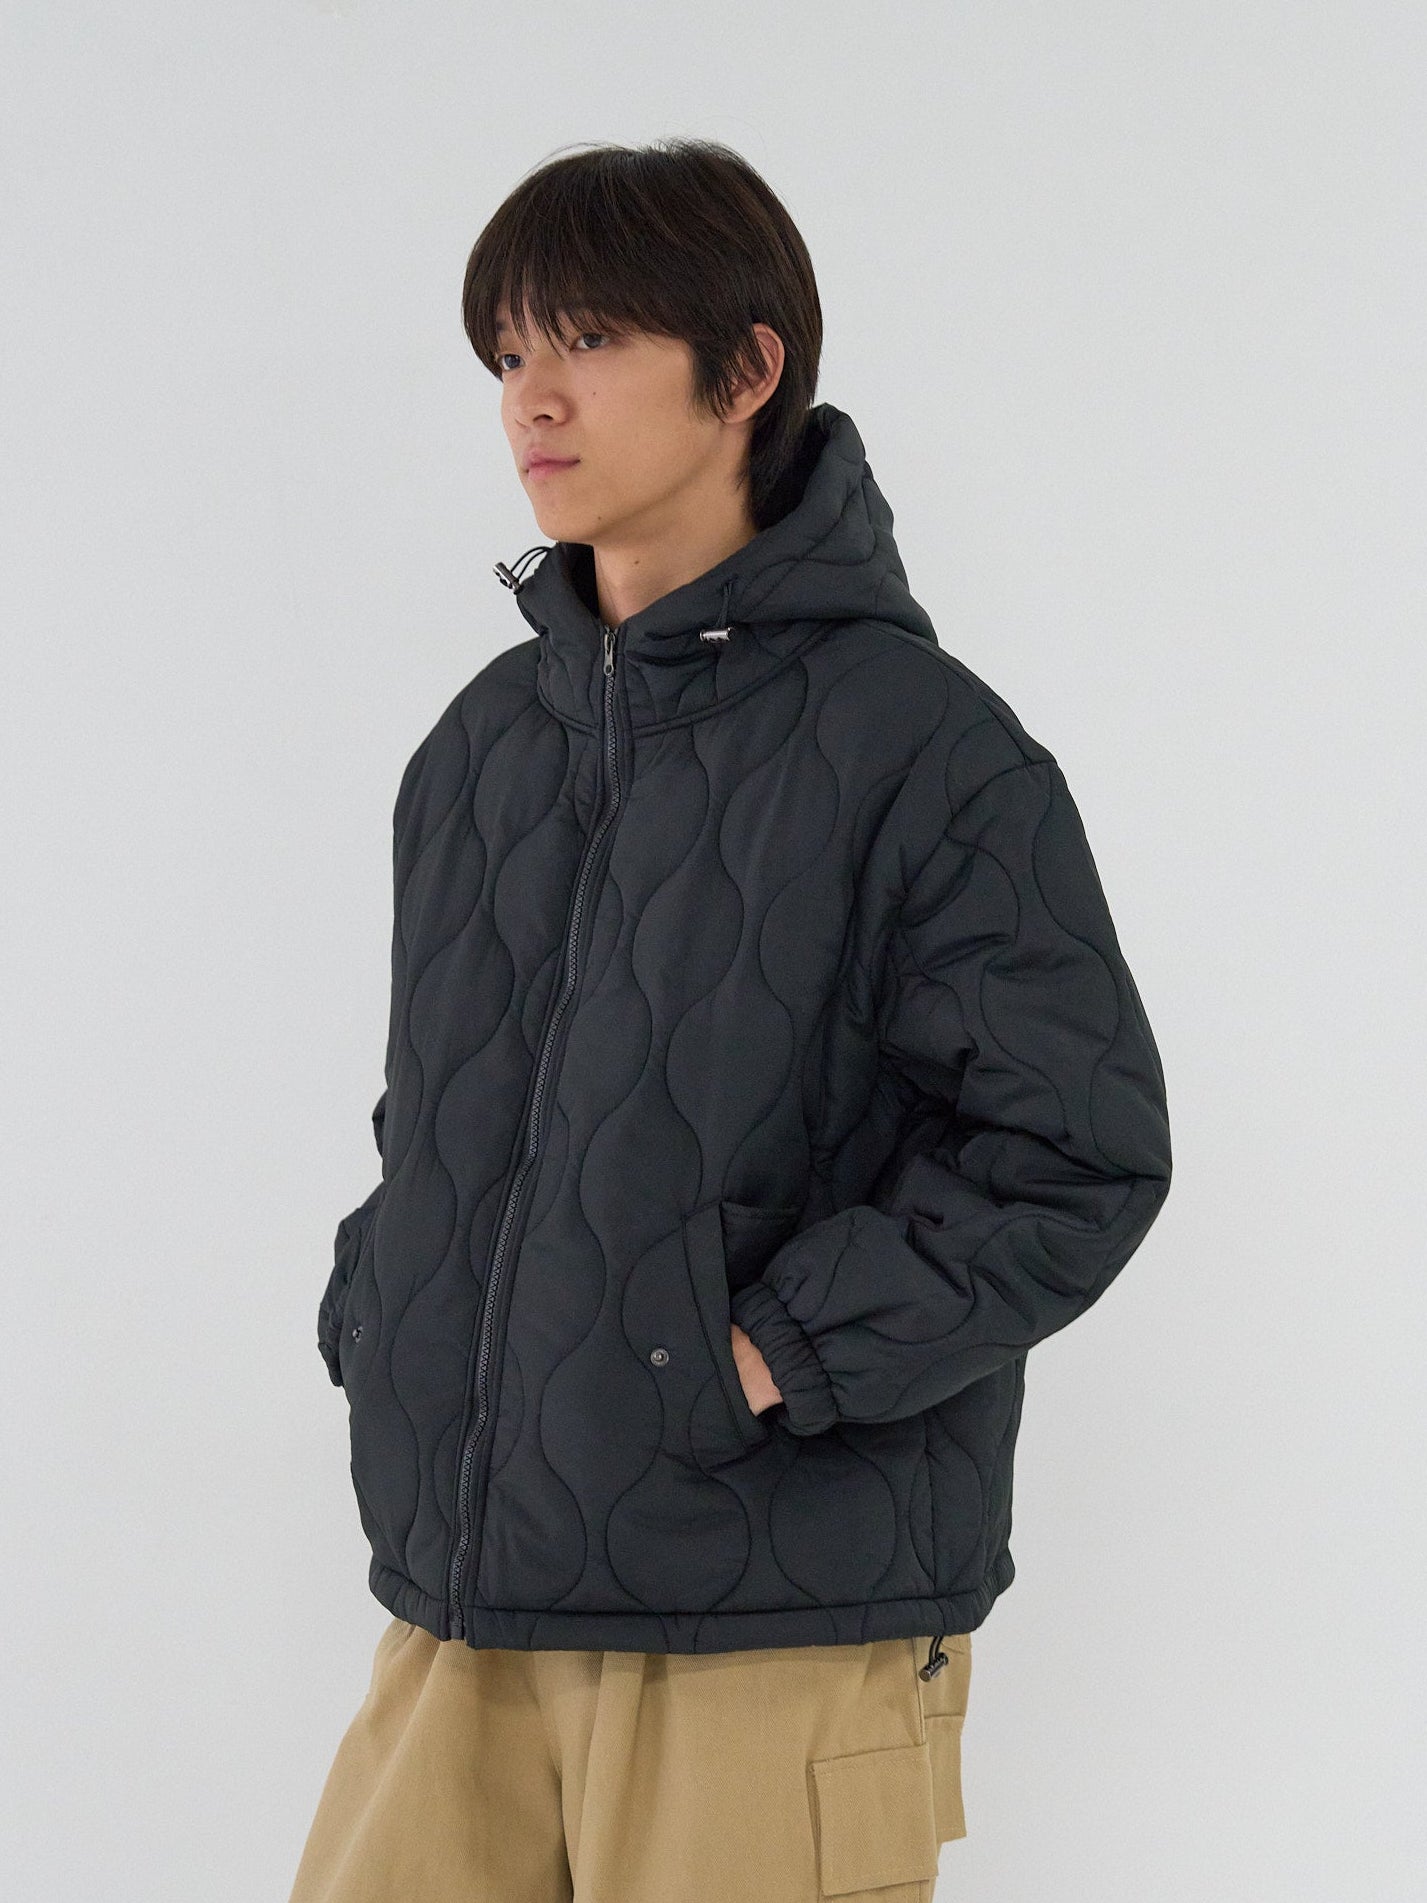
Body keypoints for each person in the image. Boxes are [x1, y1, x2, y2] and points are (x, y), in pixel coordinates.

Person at [291, 136, 1172, 1903]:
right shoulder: (482, 750)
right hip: (463, 1613)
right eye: (509, 353)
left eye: (590, 341)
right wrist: (384, 1307)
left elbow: (1074, 1152)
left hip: (771, 1624)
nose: (533, 399)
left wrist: (764, 1353)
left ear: (748, 369)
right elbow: (441, 1115)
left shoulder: (923, 746)